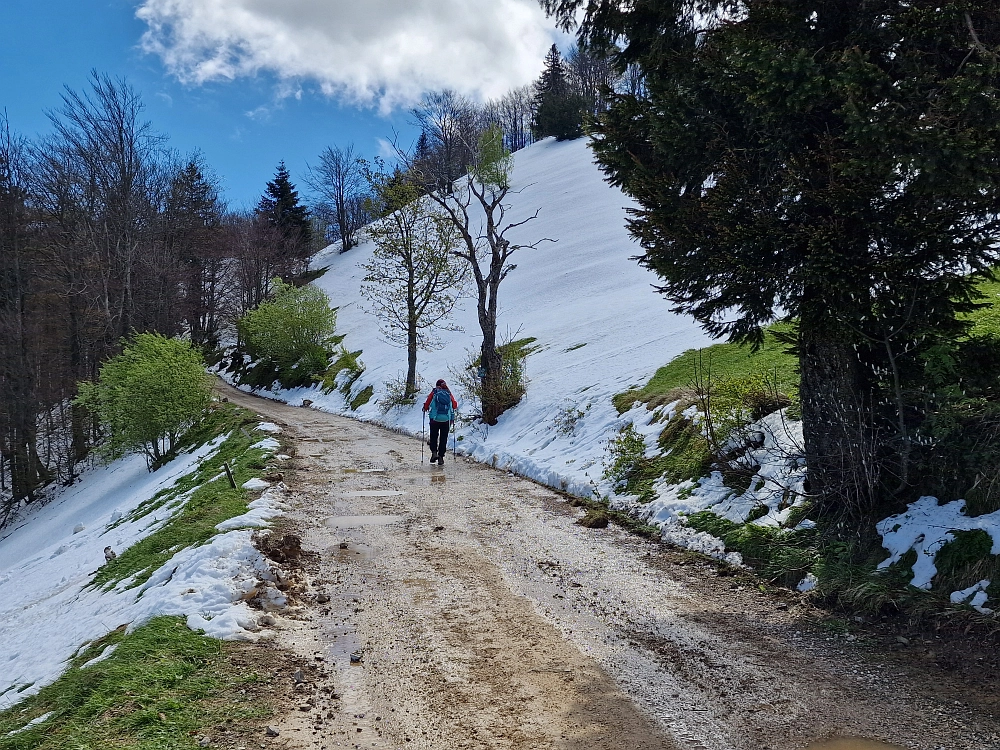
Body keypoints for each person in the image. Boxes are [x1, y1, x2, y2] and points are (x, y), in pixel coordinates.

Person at [422, 379, 457, 465]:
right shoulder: (448, 393)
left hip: (434, 419)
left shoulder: (434, 392)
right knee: (443, 438)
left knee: (434, 436)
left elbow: (428, 403)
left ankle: (434, 453)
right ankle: (441, 457)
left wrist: (425, 408)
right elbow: (455, 405)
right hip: (446, 419)